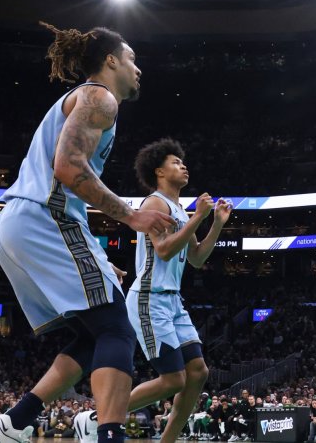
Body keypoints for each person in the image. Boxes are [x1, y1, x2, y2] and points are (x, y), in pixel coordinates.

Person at [0, 23, 174, 443]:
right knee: (118, 329)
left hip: (19, 226)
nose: (139, 69)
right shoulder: (99, 97)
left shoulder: (80, 100)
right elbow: (68, 169)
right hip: (46, 219)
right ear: (111, 61)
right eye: (133, 59)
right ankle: (109, 436)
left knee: (93, 334)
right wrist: (132, 216)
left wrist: (99, 262)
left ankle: (12, 423)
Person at [74, 138, 234, 443]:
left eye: (182, 162)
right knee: (173, 379)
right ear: (159, 172)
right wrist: (199, 216)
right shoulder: (155, 203)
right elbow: (162, 251)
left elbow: (197, 258)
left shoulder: (180, 209)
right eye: (175, 162)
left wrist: (215, 224)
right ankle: (96, 418)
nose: (183, 165)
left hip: (173, 301)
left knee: (198, 373)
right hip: (150, 299)